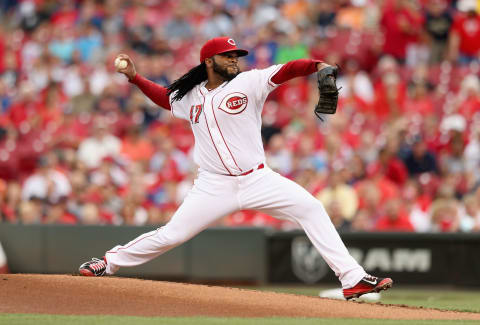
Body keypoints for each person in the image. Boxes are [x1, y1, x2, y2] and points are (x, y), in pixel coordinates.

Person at [78, 37, 393, 300]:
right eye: (227, 55)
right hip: (213, 186)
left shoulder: (250, 82)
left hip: (258, 179)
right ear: (208, 62)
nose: (234, 59)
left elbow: (287, 70)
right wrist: (135, 77)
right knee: (172, 234)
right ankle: (108, 262)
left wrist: (317, 66)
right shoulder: (191, 97)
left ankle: (352, 278)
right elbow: (164, 98)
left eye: (236, 55)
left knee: (311, 207)